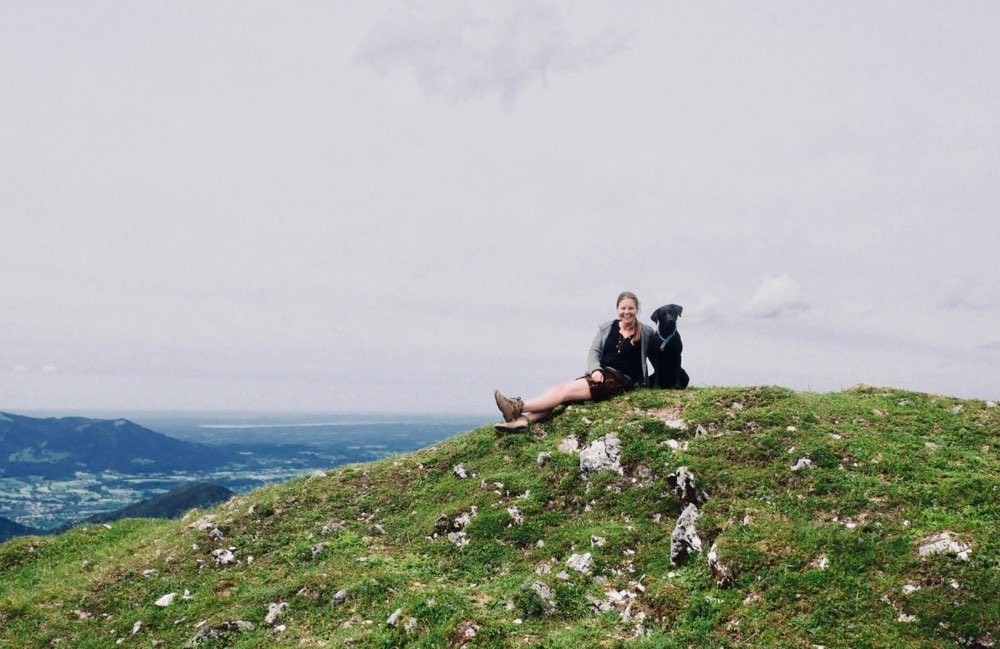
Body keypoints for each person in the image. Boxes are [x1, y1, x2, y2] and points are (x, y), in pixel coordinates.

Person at [493, 291, 655, 432]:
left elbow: (663, 353)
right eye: (623, 308)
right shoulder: (607, 328)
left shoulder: (646, 332)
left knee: (563, 392)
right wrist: (595, 370)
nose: (627, 312)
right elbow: (594, 352)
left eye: (630, 308)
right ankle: (522, 421)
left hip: (620, 381)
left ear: (637, 309)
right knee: (556, 392)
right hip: (600, 374)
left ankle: (516, 408)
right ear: (617, 309)